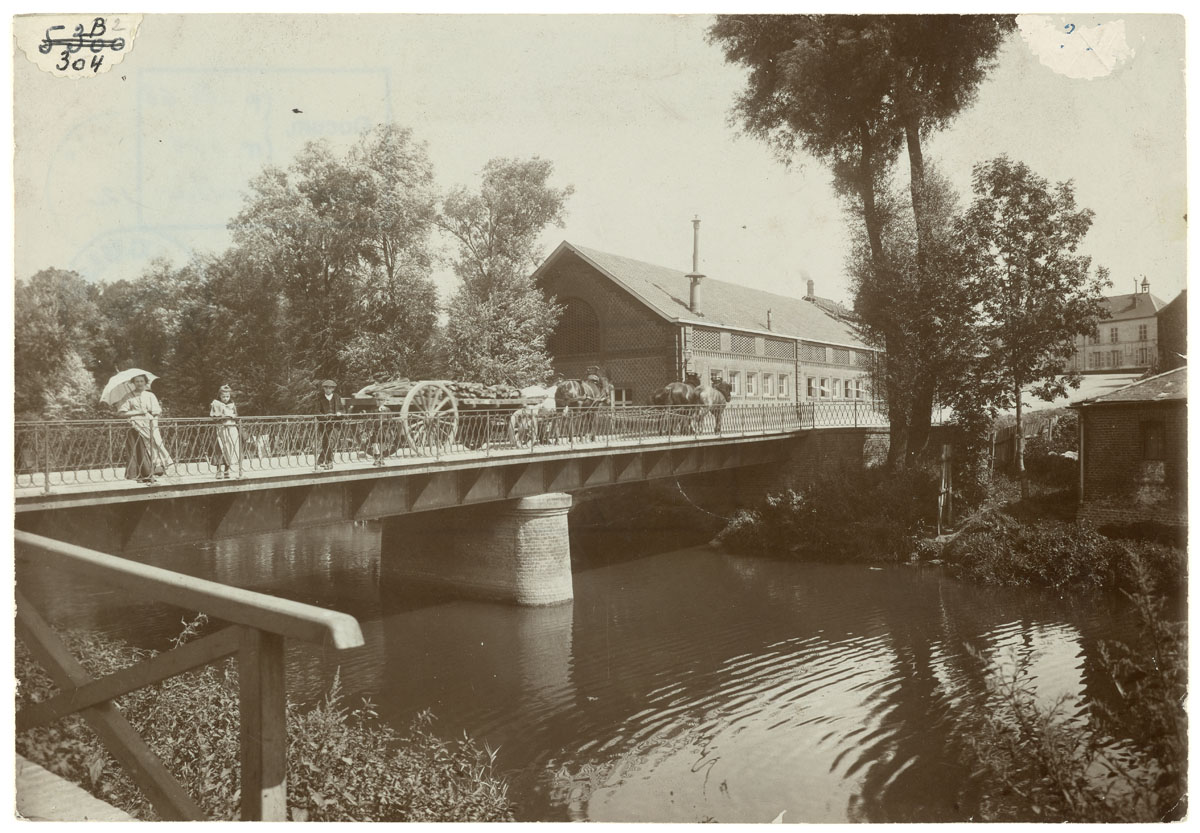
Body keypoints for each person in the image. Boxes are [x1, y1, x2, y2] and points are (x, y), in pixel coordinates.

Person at [118, 374, 161, 484]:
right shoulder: (128, 396)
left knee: (151, 448)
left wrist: (153, 420)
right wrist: (138, 412)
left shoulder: (150, 395)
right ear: (133, 382)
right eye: (137, 381)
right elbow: (122, 413)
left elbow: (156, 411)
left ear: (145, 382)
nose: (139, 383)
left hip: (149, 426)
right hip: (135, 427)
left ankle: (151, 473)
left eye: (141, 381)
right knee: (137, 450)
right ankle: (138, 475)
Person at [210, 384, 241, 479]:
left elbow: (236, 415)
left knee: (231, 448)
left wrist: (233, 416)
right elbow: (213, 417)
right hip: (221, 428)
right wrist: (221, 417)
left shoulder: (232, 404)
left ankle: (227, 470)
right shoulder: (216, 404)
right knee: (221, 448)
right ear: (220, 396)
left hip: (231, 428)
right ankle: (219, 470)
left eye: (227, 396)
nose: (225, 398)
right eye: (223, 396)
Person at [313, 379, 343, 470]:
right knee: (325, 443)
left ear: (333, 389)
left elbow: (342, 409)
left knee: (331, 441)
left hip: (335, 423)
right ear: (323, 388)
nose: (328, 390)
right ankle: (322, 459)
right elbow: (316, 412)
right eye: (326, 388)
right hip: (325, 424)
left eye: (330, 388)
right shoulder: (320, 398)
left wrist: (339, 413)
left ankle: (329, 462)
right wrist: (324, 417)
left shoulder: (337, 397)